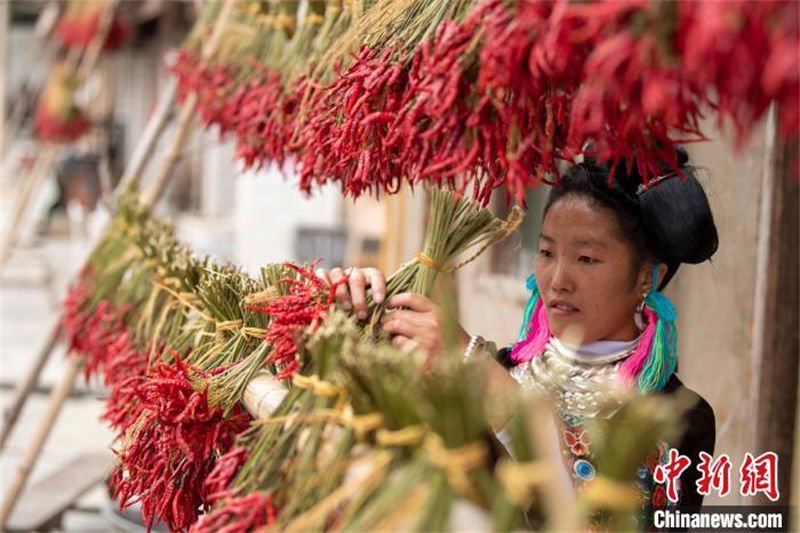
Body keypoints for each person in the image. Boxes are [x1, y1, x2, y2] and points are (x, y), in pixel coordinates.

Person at [318, 147, 716, 527]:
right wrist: (362, 320)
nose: (558, 280)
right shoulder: (504, 367)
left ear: (649, 276)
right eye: (546, 253)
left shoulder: (676, 419)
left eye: (586, 258)